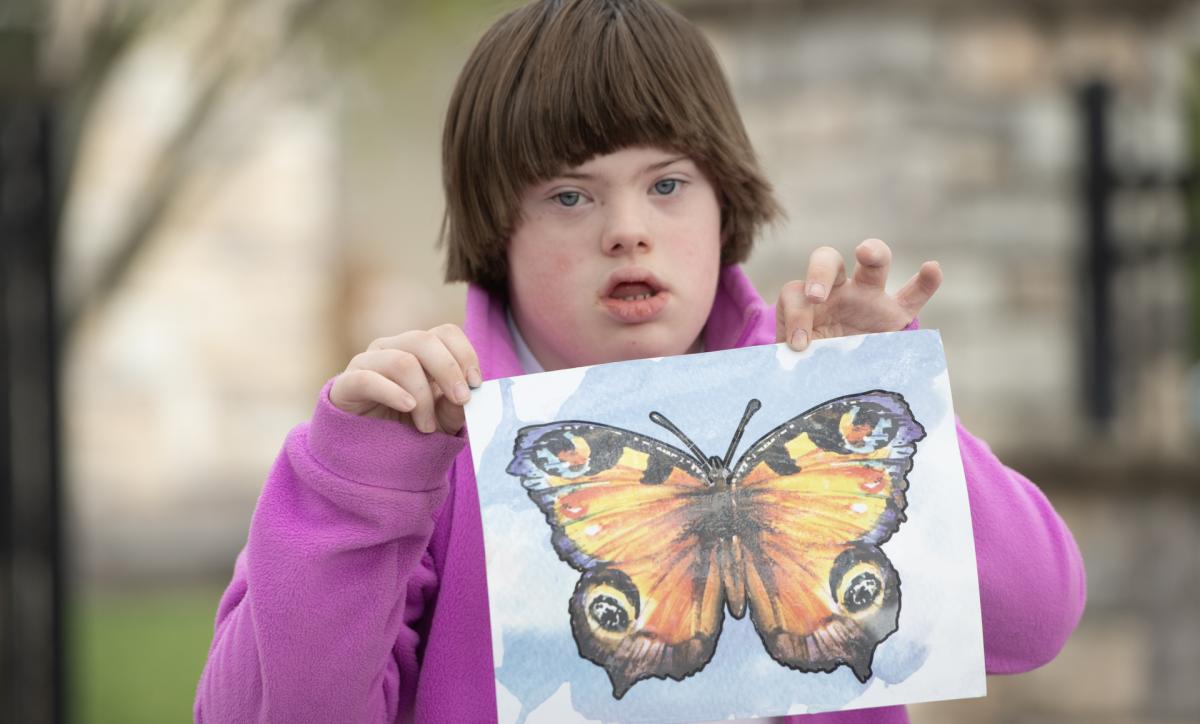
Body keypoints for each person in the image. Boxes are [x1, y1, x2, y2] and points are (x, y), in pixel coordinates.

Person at [194, 1, 1086, 722]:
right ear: (495, 232)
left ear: (724, 201)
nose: (627, 228)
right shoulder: (416, 452)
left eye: (666, 184)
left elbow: (1035, 616)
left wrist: (884, 392)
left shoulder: (816, 398)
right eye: (570, 194)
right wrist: (357, 487)